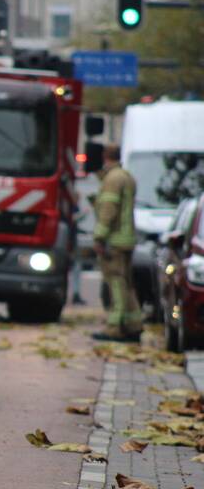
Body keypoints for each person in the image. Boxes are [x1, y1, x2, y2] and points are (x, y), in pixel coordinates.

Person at [91, 144, 142, 342]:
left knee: (115, 283)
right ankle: (134, 324)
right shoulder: (127, 176)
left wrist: (99, 236)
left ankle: (115, 327)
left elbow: (109, 209)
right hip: (127, 239)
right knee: (127, 284)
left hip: (114, 241)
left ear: (105, 155)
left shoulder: (113, 179)